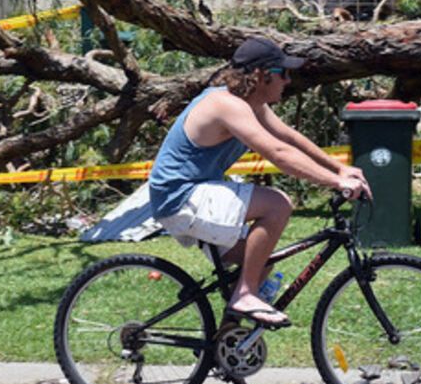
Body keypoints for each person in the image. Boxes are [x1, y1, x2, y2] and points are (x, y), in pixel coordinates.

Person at [148, 36, 371, 328]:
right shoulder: (226, 105)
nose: (288, 80)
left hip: (191, 196)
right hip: (181, 197)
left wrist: (340, 168)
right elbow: (279, 154)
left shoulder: (251, 104)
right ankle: (245, 294)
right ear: (261, 75)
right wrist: (335, 182)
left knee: (262, 257)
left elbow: (289, 138)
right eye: (283, 73)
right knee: (277, 204)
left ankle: (229, 338)